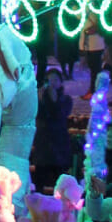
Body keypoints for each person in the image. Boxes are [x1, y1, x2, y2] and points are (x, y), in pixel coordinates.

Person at [30, 60, 76, 191]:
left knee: (60, 181)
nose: (52, 83)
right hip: (43, 144)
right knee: (40, 180)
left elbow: (58, 114)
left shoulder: (66, 99)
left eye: (55, 80)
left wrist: (53, 98)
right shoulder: (39, 99)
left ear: (61, 82)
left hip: (59, 143)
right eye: (49, 80)